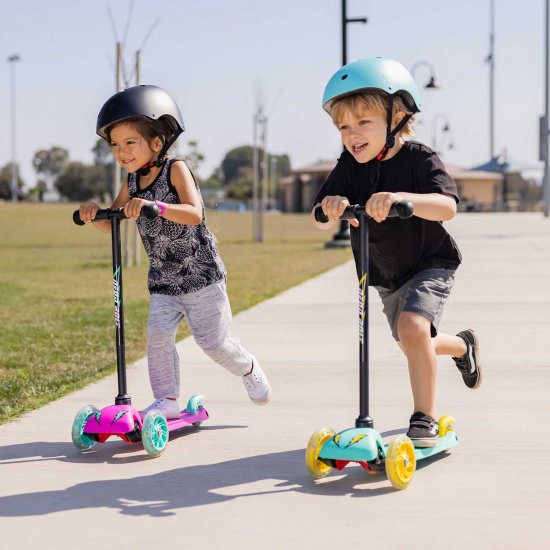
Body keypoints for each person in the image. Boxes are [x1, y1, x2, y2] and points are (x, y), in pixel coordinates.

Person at [312, 57, 481, 447]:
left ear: (398, 116)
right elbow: (318, 213)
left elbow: (447, 206)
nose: (351, 134)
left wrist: (403, 198)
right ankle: (462, 345)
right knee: (412, 342)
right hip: (387, 274)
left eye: (362, 122)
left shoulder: (420, 158)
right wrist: (332, 206)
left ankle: (424, 417)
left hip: (429, 263)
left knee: (412, 330)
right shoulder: (349, 166)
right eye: (343, 127)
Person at [78, 85, 270, 419]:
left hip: (201, 277)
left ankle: (248, 367)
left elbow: (195, 213)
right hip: (164, 282)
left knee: (213, 343)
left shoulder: (176, 169)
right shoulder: (132, 183)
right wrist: (95, 214)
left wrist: (156, 206)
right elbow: (114, 222)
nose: (121, 152)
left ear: (157, 142)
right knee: (158, 337)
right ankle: (166, 399)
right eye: (115, 145)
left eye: (129, 143)